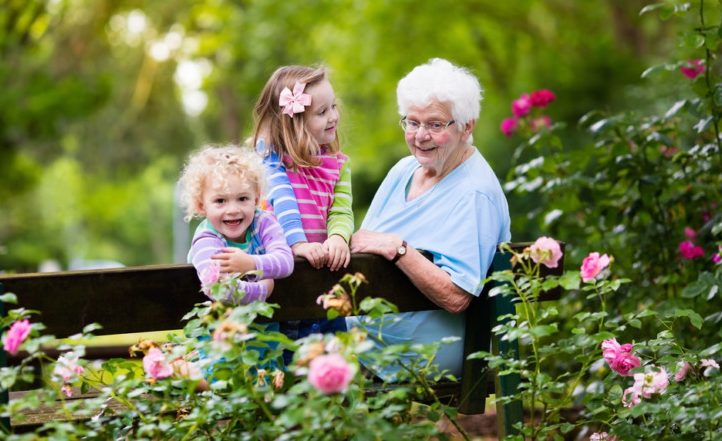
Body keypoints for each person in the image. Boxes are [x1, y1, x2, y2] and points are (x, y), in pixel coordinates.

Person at [347, 58, 511, 381]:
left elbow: (457, 295)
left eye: (435, 125)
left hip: (428, 353)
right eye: (412, 122)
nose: (420, 136)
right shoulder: (402, 171)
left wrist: (398, 248)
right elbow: (361, 244)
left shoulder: (474, 193)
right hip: (369, 339)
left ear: (467, 126)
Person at [251, 65, 353, 355]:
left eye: (333, 106)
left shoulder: (338, 164)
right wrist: (298, 243)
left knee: (333, 360)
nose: (333, 116)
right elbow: (282, 199)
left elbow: (341, 210)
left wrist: (338, 238)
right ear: (293, 122)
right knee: (287, 364)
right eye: (321, 112)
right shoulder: (270, 159)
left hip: (323, 280)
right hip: (286, 282)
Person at [178, 144, 294, 305]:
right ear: (201, 206)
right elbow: (217, 288)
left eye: (242, 199)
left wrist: (250, 264)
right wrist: (263, 290)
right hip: (222, 328)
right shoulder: (206, 239)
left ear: (256, 200)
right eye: (220, 201)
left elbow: (286, 261)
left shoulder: (263, 222)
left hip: (267, 327)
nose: (233, 210)